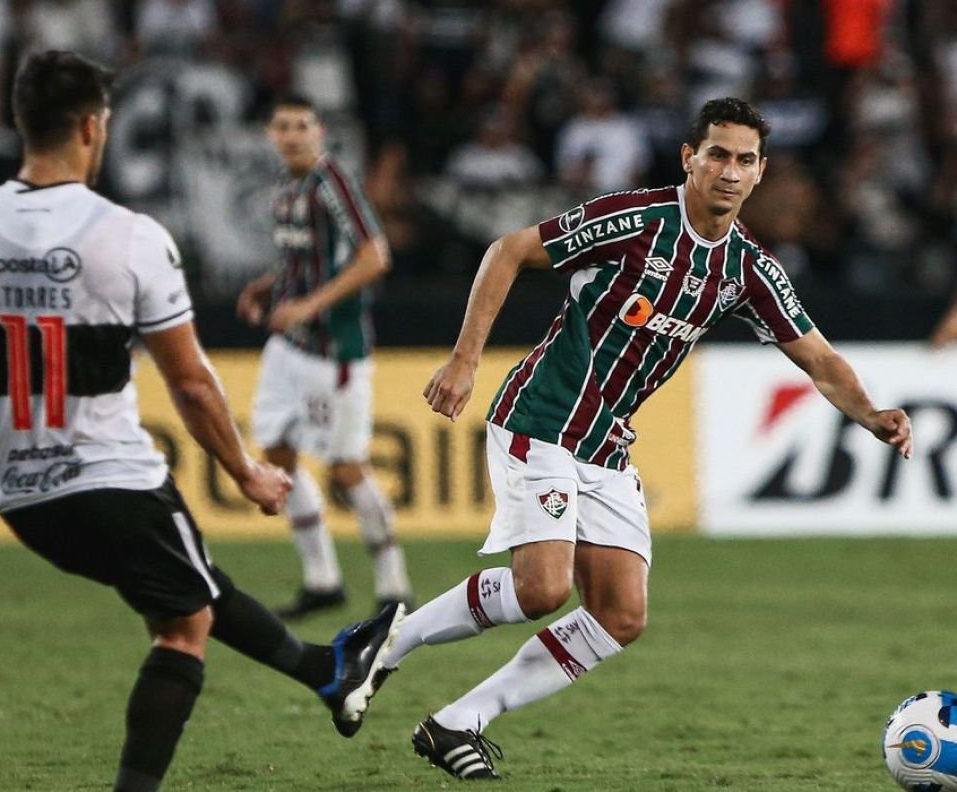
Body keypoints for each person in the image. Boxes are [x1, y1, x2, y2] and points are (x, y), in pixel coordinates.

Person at [0, 51, 404, 792]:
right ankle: (315, 678)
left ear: (20, 122)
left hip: (17, 493)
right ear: (92, 128)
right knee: (183, 624)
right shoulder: (130, 235)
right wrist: (247, 471)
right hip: (110, 475)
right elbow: (193, 384)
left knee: (187, 588)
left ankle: (327, 671)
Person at [377, 97, 914, 780]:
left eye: (743, 159)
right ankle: (389, 643)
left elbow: (817, 356)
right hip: (543, 416)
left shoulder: (747, 268)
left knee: (620, 615)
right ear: (689, 158)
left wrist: (868, 411)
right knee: (541, 589)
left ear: (759, 173)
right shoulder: (636, 220)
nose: (728, 170)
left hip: (605, 444)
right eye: (716, 154)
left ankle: (458, 721)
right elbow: (508, 249)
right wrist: (463, 359)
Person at [236, 93, 414, 619]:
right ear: (270, 134)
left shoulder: (331, 181)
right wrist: (270, 287)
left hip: (334, 352)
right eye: (282, 125)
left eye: (301, 125)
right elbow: (308, 258)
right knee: (276, 453)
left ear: (319, 132)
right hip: (289, 348)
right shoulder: (287, 185)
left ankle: (394, 585)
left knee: (345, 468)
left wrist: (307, 306)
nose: (291, 135)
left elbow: (374, 256)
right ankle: (322, 579)